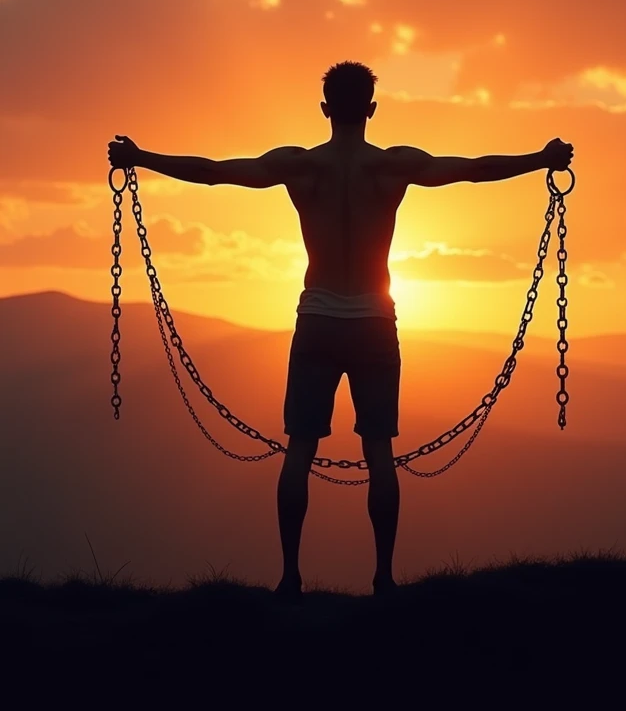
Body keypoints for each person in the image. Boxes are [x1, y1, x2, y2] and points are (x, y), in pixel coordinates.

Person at [108, 60, 573, 598]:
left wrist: (141, 158)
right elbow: (471, 167)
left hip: (317, 322)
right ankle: (384, 578)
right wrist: (540, 158)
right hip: (376, 321)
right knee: (379, 451)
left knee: (300, 449)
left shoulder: (301, 168)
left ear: (325, 108)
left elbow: (214, 171)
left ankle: (289, 577)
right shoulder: (393, 166)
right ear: (372, 109)